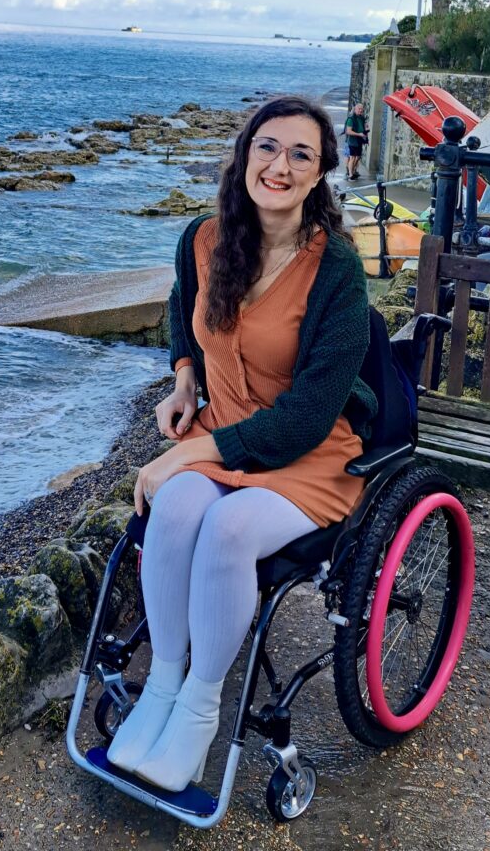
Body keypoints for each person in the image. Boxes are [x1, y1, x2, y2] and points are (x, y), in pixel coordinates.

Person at [106, 95, 377, 792]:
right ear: (245, 153)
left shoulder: (337, 272)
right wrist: (183, 378)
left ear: (320, 176)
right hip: (220, 426)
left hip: (305, 454)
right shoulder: (205, 238)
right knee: (171, 509)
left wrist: (183, 453)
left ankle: (199, 708)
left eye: (300, 155)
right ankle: (162, 686)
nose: (279, 165)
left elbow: (303, 421)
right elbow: (182, 305)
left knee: (225, 528)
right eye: (267, 147)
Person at [344, 102, 367, 180]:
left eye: (362, 109)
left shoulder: (362, 118)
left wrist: (365, 131)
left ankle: (352, 171)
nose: (360, 110)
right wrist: (359, 134)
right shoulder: (351, 119)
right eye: (359, 109)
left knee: (358, 157)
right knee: (352, 157)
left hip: (359, 140)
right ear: (355, 109)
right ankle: (350, 174)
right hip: (352, 141)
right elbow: (348, 131)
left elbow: (363, 128)